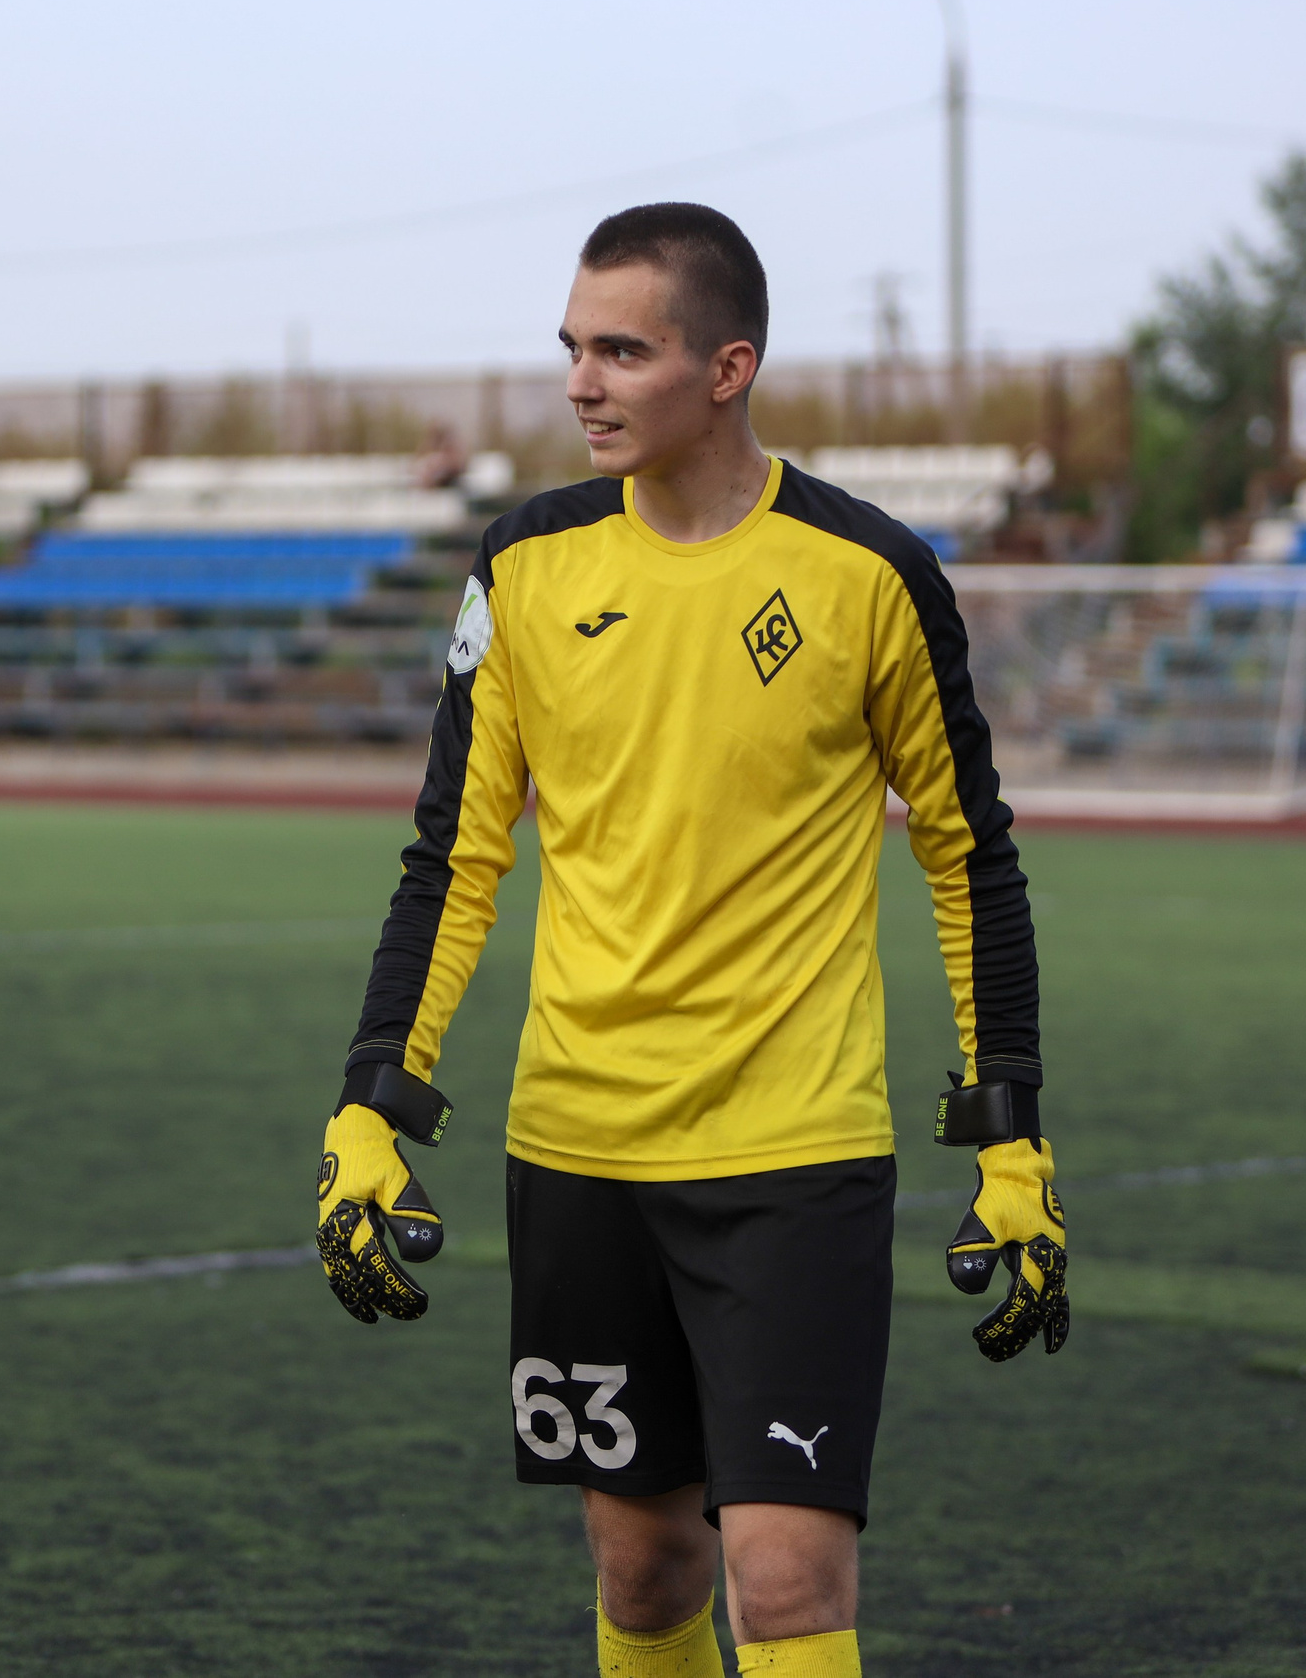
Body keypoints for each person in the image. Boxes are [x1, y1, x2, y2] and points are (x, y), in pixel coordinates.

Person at [313, 203, 1064, 1678]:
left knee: (785, 1575)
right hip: (580, 1149)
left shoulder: (870, 573)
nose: (582, 382)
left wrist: (1010, 1137)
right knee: (645, 1566)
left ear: (729, 367)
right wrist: (371, 1101)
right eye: (573, 347)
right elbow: (454, 858)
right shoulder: (523, 565)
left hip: (794, 1154)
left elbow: (973, 859)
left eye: (623, 350)